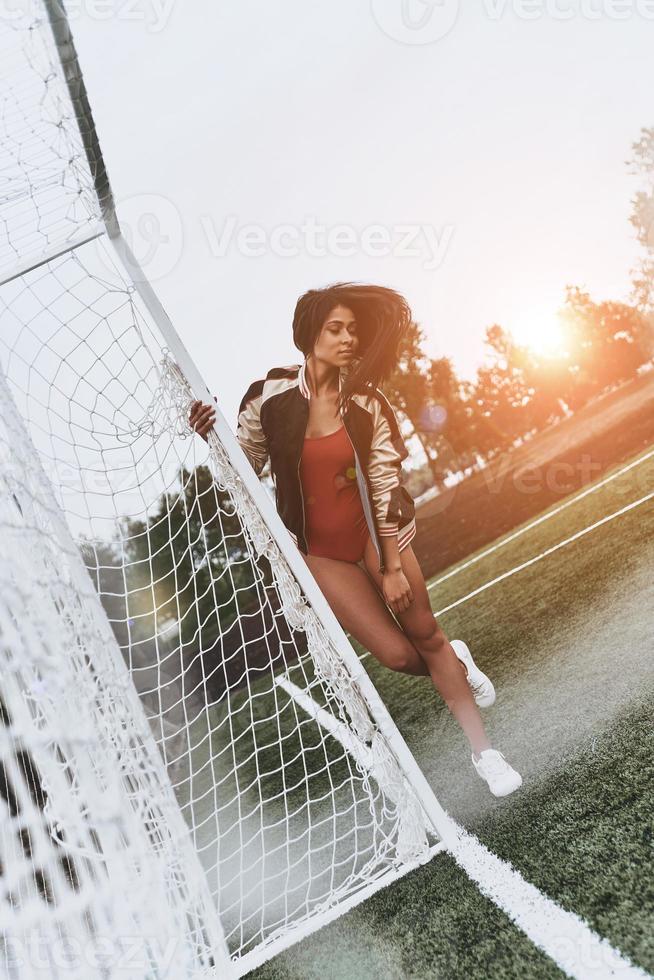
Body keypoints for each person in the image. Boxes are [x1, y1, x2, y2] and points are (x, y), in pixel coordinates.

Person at [189, 282, 522, 797]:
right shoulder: (266, 398)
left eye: (353, 331)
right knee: (397, 657)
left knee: (426, 635)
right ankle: (457, 661)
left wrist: (390, 567)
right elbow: (245, 474)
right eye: (334, 329)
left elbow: (386, 487)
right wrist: (212, 436)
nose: (348, 339)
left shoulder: (369, 403)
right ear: (308, 335)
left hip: (377, 534)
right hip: (320, 553)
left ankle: (485, 753)